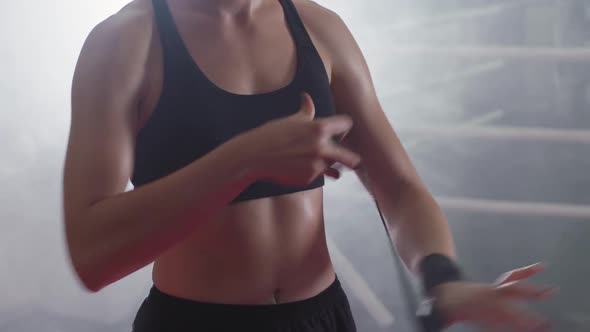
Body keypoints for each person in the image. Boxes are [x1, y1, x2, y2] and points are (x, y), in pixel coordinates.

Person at [62, 0, 557, 331]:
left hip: (323, 315)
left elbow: (398, 185)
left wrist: (442, 278)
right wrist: (244, 159)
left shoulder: (319, 27)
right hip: (194, 320)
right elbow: (93, 256)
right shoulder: (124, 42)